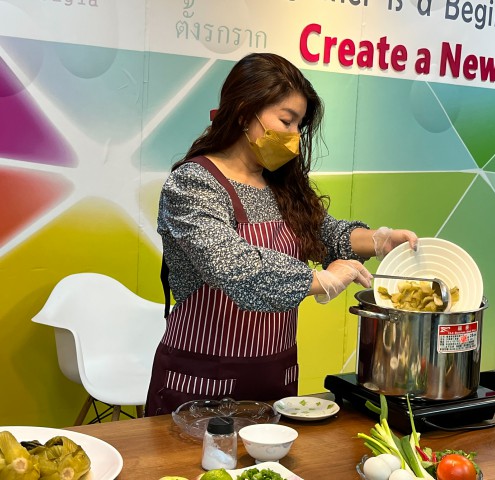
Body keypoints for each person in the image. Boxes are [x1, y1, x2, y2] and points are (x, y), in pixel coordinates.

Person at [145, 52, 417, 416]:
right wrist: (321, 280)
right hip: (201, 380)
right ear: (244, 111)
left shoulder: (279, 184)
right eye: (286, 121)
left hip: (276, 374)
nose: (294, 136)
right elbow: (232, 265)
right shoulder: (194, 183)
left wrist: (380, 241)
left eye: (299, 126)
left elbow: (322, 231)